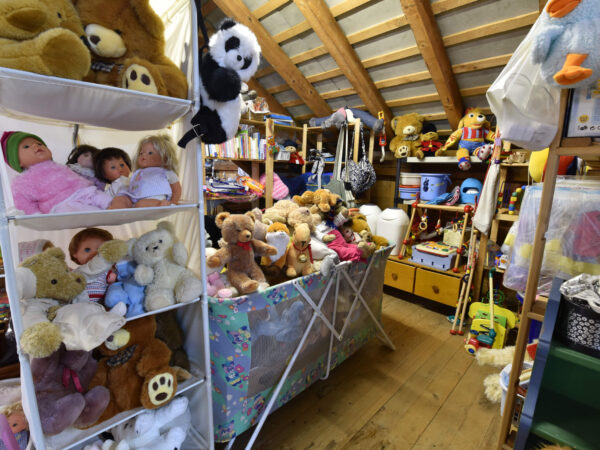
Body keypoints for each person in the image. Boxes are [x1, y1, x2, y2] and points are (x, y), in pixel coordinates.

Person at [1, 131, 120, 214]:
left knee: (109, 199)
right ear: (18, 161)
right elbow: (22, 201)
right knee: (85, 212)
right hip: (62, 203)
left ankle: (119, 208)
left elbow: (76, 177)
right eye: (26, 147)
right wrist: (35, 215)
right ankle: (105, 213)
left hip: (86, 191)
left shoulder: (59, 166)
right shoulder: (23, 181)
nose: (35, 146)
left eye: (39, 143)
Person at [125, 134, 182, 208]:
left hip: (156, 199)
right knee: (121, 199)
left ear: (164, 157)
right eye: (141, 153)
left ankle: (160, 204)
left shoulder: (166, 172)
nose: (143, 156)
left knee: (140, 204)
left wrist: (173, 202)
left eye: (150, 153)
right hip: (136, 200)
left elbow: (176, 190)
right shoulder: (138, 173)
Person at [69, 227, 118, 303]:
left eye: (100, 250)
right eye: (87, 249)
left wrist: (112, 277)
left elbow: (113, 281)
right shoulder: (76, 272)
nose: (94, 254)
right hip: (79, 306)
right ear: (75, 253)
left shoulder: (104, 271)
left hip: (101, 305)